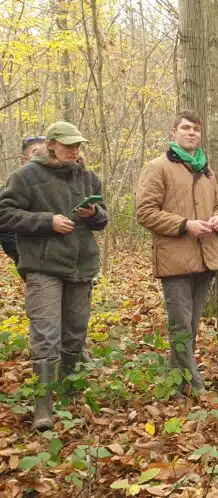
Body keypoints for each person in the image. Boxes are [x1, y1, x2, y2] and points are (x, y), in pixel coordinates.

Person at [0, 121, 107, 430]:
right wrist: (47, 221)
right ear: (51, 145)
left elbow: (102, 220)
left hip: (81, 265)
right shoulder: (25, 176)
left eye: (77, 145)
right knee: (46, 334)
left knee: (75, 334)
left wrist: (94, 214)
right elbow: (4, 214)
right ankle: (43, 408)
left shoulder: (88, 178)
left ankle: (69, 393)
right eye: (68, 145)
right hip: (43, 266)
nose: (74, 150)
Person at [136, 110, 218, 395]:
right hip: (174, 258)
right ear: (173, 133)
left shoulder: (207, 170)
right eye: (186, 128)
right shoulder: (157, 167)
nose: (191, 133)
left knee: (192, 324)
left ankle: (177, 383)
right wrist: (185, 224)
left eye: (196, 129)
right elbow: (145, 212)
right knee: (181, 326)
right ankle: (195, 385)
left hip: (206, 255)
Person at [1, 136, 46, 265]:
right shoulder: (13, 186)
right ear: (25, 159)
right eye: (36, 152)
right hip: (31, 261)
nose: (41, 156)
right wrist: (22, 257)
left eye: (45, 152)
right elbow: (6, 227)